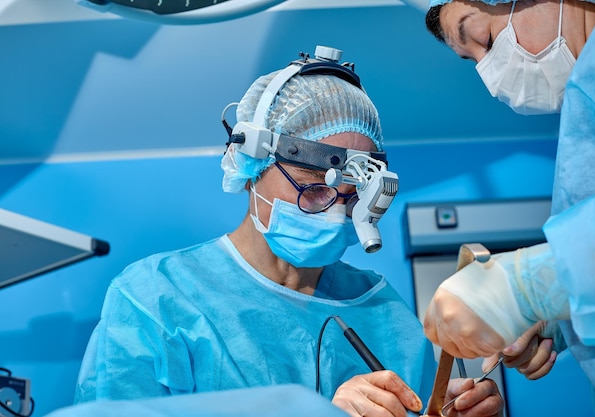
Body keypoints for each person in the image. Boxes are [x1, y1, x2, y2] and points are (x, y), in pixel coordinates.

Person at [74, 47, 504, 417]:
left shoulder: (382, 311)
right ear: (250, 164)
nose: (334, 209)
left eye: (354, 195)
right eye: (313, 184)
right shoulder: (157, 298)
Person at [422, 0, 595, 415]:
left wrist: (531, 287)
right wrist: (561, 315)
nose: (488, 73)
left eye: (484, 38)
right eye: (471, 61)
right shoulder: (594, 94)